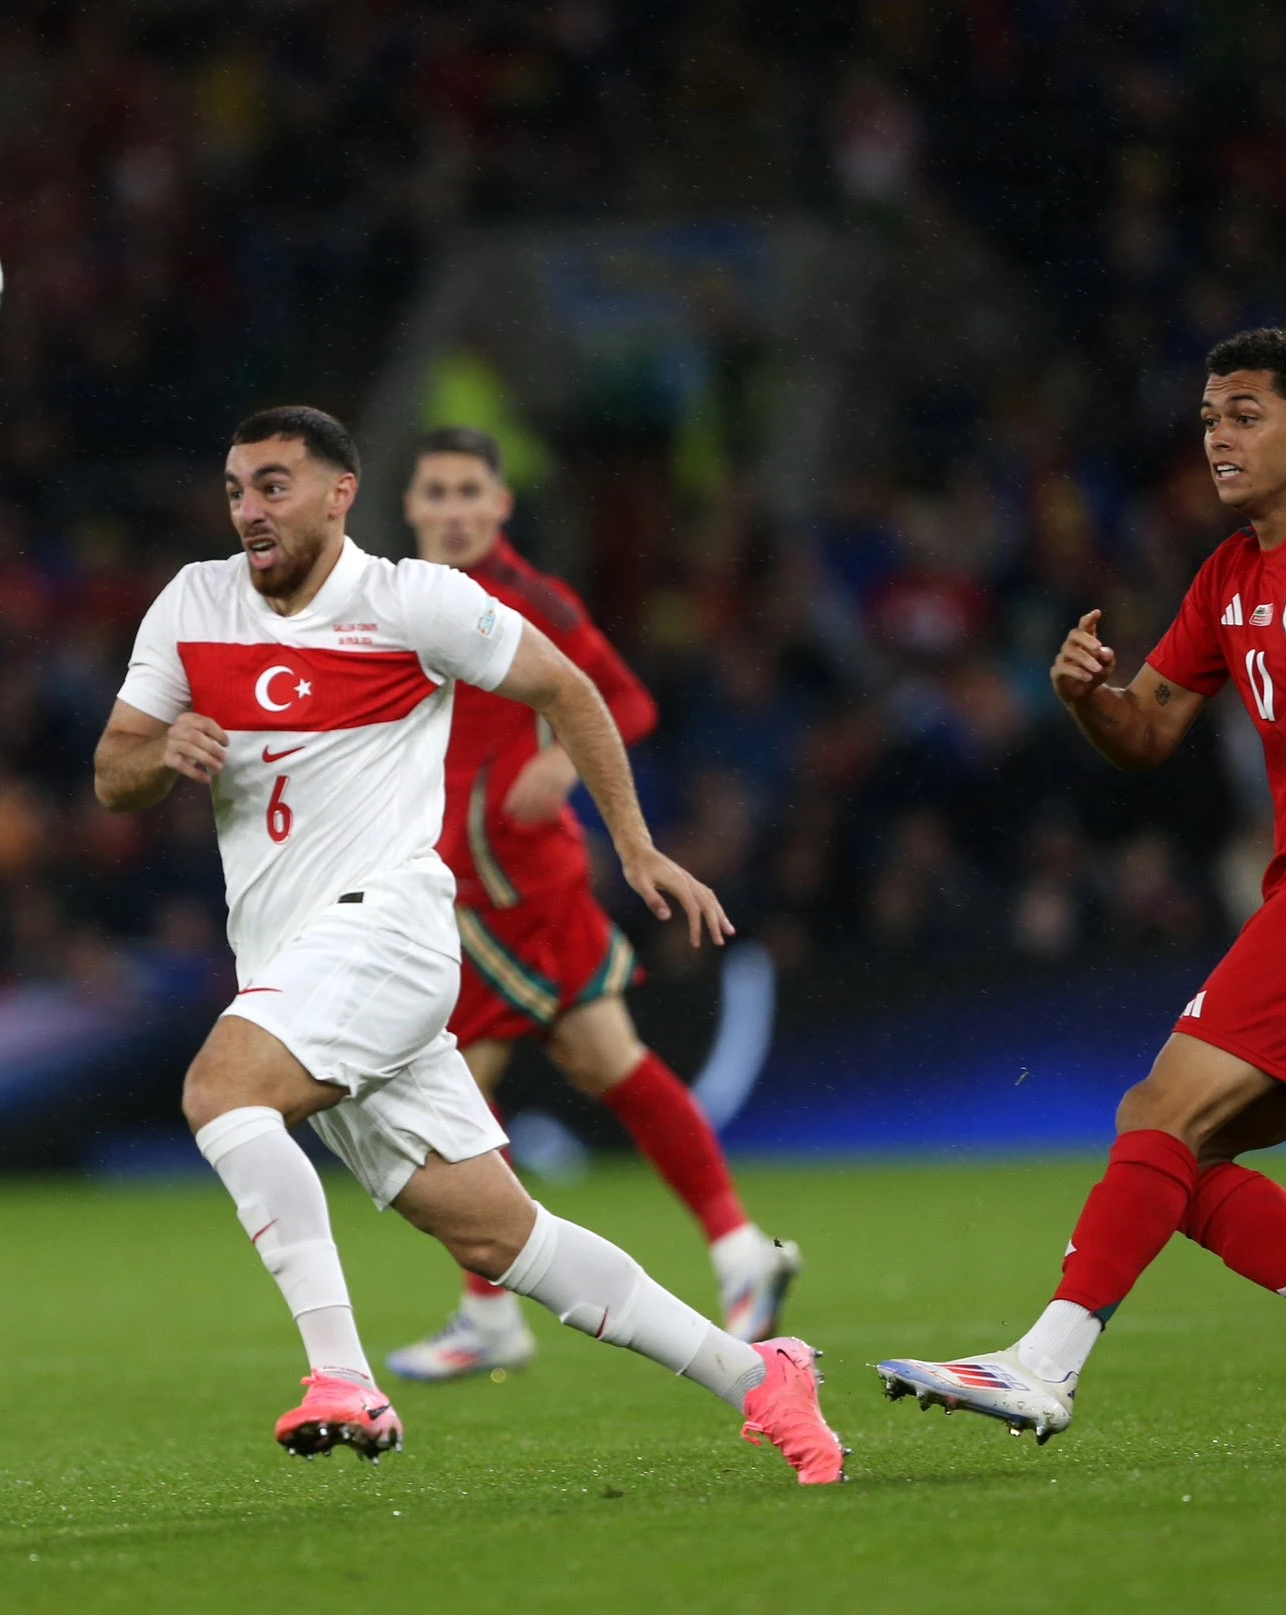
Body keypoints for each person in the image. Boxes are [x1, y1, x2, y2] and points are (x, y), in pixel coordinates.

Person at [93, 405, 843, 1483]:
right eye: (234, 490)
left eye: (272, 487)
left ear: (339, 492)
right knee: (499, 1237)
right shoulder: (191, 603)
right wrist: (165, 745)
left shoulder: (411, 602)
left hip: (389, 931)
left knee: (222, 1092)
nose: (248, 511)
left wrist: (632, 850)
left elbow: (569, 689)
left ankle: (341, 1376)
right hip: (293, 962)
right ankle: (758, 1377)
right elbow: (113, 773)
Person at [878, 329, 1286, 1455]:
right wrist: (1087, 699)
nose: (1217, 434)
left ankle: (1041, 1362)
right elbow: (1150, 728)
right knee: (1169, 1146)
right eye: (1209, 415)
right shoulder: (1226, 575)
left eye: (1246, 413)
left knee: (1160, 1111)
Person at [385, 427, 800, 1382]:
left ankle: (490, 1315)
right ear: (411, 508)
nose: (450, 510)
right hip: (467, 882)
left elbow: (625, 701)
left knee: (452, 1097)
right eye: (435, 493)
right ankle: (739, 1250)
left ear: (500, 508)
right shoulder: (402, 600)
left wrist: (560, 758)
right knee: (604, 1061)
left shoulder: (531, 604)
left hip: (512, 886)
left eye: (467, 493)